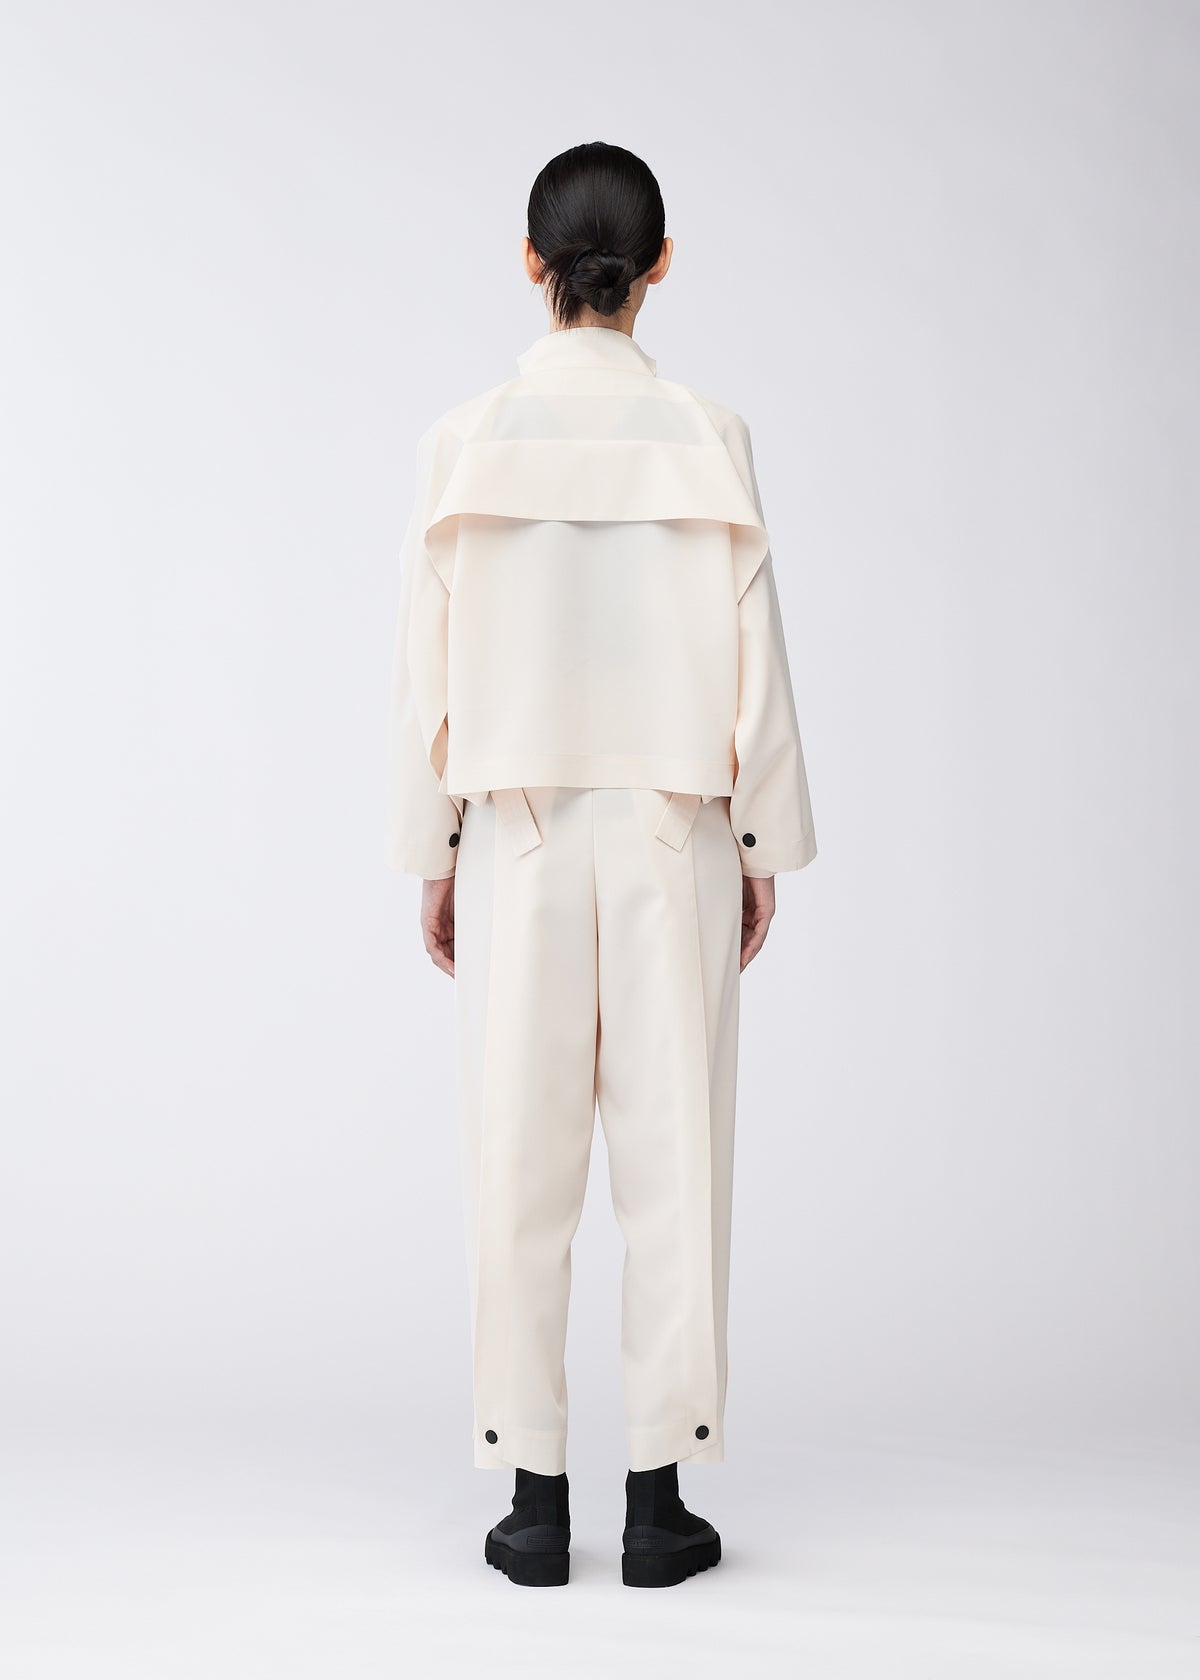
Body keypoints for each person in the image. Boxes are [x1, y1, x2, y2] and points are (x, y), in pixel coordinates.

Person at [386, 141, 816, 1588]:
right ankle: (656, 1499)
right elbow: (758, 657)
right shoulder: (711, 435)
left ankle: (530, 1502)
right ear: (660, 265)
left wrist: (434, 851)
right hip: (674, 827)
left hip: (511, 829)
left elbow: (424, 673)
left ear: (532, 265)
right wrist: (758, 845)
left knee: (517, 1156)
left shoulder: (463, 440)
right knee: (674, 1158)